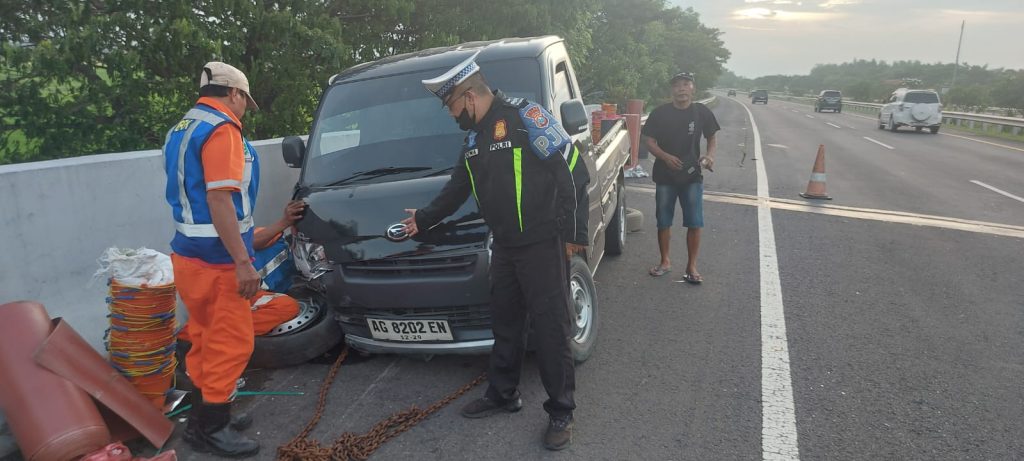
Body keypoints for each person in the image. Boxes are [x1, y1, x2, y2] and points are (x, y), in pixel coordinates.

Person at [400, 50, 590, 451]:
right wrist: (425, 218)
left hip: (541, 243)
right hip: (504, 246)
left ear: (469, 97)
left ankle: (561, 411)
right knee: (505, 322)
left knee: (552, 330)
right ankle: (504, 394)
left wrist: (575, 232)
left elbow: (572, 168)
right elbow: (457, 188)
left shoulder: (526, 116)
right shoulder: (473, 139)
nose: (451, 115)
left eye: (452, 106)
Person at [162, 61, 261, 458]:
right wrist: (242, 261)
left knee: (204, 337)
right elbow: (221, 198)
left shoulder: (182, 128)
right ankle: (213, 430)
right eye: (244, 101)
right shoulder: (222, 129)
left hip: (188, 257)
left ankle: (206, 418)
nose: (243, 111)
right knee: (232, 344)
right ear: (233, 94)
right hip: (220, 261)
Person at [177, 200, 306, 344]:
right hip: (220, 285)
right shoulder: (276, 238)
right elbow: (247, 243)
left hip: (243, 297)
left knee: (288, 307)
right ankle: (195, 334)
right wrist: (284, 222)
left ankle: (208, 332)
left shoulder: (295, 273)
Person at [642, 71, 720, 284]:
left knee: (695, 222)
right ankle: (665, 261)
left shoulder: (701, 112)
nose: (681, 89)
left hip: (691, 176)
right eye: (677, 85)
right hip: (665, 176)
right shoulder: (660, 113)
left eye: (686, 84)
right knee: (663, 221)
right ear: (672, 90)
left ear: (693, 87)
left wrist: (710, 156)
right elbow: (648, 140)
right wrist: (665, 157)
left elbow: (712, 136)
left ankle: (691, 266)